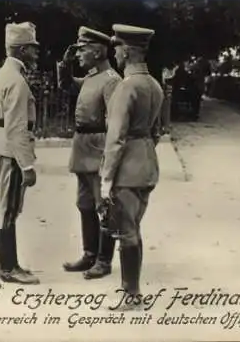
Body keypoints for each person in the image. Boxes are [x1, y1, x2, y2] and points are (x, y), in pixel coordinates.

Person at [100, 23, 164, 310]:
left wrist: (106, 178)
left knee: (126, 231)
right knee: (134, 227)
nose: (115, 52)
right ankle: (133, 292)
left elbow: (115, 138)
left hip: (126, 169)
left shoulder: (127, 87)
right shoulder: (154, 85)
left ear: (127, 51)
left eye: (117, 47)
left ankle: (132, 295)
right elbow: (158, 132)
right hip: (147, 164)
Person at [57, 27, 122, 279]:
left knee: (103, 205)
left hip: (98, 146)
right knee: (85, 204)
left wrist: (110, 155)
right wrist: (64, 63)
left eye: (82, 50)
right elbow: (66, 86)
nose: (78, 55)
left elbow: (115, 122)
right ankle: (89, 254)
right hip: (83, 144)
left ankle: (104, 261)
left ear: (97, 51)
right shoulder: (93, 76)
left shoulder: (111, 80)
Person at [0, 22, 40, 284]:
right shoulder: (16, 80)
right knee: (8, 208)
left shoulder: (1, 75)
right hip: (11, 153)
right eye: (32, 48)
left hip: (0, 148)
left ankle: (5, 263)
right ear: (21, 50)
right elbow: (18, 127)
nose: (36, 53)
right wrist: (27, 165)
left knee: (1, 206)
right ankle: (7, 268)